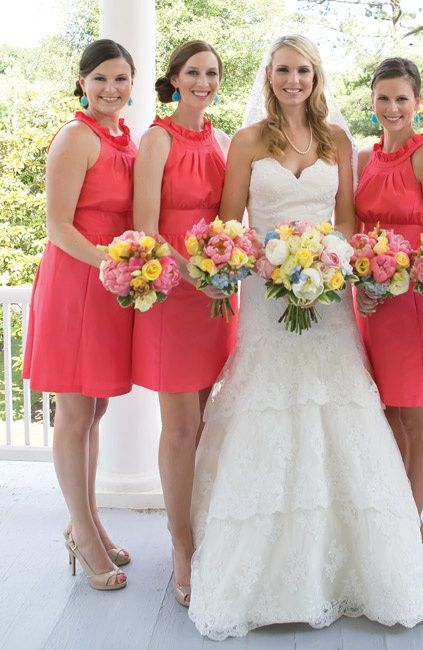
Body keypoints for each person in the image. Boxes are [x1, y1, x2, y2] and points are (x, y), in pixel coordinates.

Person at [188, 35, 423, 641]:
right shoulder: (246, 142)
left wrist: (325, 261)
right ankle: (259, 576)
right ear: (268, 76)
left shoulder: (338, 140)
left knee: (339, 409)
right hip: (266, 300)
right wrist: (272, 266)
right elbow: (230, 221)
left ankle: (355, 568)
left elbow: (348, 217)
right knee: (268, 411)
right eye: (283, 70)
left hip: (327, 298)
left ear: (317, 76)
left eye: (303, 70)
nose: (293, 80)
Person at [23, 39, 137, 590]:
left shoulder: (123, 139)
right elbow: (58, 227)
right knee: (73, 416)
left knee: (94, 414)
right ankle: (84, 536)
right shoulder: (74, 138)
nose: (111, 89)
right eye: (100, 79)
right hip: (77, 281)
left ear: (133, 85)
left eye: (120, 79)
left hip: (109, 285)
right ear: (82, 82)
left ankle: (86, 521)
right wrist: (115, 262)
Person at [132, 40, 237, 607]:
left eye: (212, 73)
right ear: (175, 80)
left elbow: (233, 217)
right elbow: (145, 228)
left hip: (216, 299)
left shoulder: (222, 142)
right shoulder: (156, 139)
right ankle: (181, 545)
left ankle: (203, 527)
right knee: (177, 427)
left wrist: (227, 266)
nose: (203, 81)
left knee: (204, 423)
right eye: (193, 72)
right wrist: (193, 273)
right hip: (174, 295)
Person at [354, 57, 423, 539]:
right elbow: (354, 232)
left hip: (413, 303)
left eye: (401, 99)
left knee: (416, 415)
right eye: (383, 98)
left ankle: (410, 521)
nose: (392, 108)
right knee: (385, 410)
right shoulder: (365, 158)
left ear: (417, 102)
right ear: (371, 102)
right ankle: (392, 507)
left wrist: (403, 274)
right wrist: (363, 284)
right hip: (372, 305)